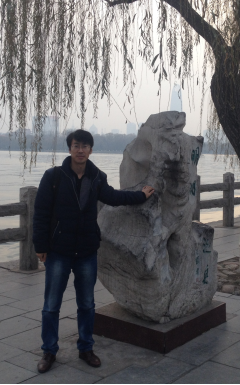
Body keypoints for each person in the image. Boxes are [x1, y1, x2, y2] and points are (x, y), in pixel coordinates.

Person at [33, 129, 155, 374]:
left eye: (85, 146)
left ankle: (86, 348)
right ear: (70, 148)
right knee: (51, 304)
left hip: (86, 250)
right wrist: (41, 246)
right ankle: (49, 350)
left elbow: (113, 197)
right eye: (76, 145)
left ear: (90, 150)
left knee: (87, 303)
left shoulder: (97, 177)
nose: (80, 150)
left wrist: (140, 196)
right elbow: (41, 212)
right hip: (58, 251)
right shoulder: (54, 176)